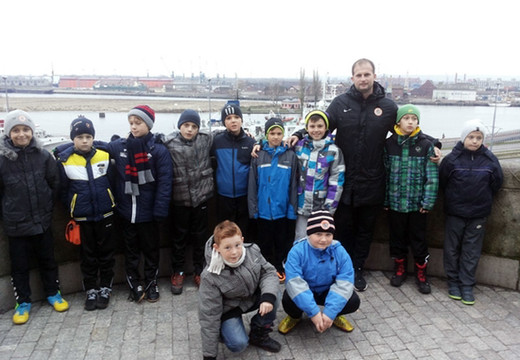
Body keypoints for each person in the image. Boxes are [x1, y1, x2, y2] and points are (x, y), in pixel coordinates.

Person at [286, 58, 441, 291]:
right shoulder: (340, 103)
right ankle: (342, 268)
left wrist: (434, 143)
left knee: (365, 231)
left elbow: (406, 130)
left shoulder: (388, 107)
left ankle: (357, 269)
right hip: (345, 181)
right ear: (352, 78)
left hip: (373, 181)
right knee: (344, 229)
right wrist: (298, 133)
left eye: (367, 74)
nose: (363, 79)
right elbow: (321, 124)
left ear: (374, 76)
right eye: (358, 75)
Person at [0, 110, 69, 325]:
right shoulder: (2, 160)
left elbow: (55, 182)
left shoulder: (43, 156)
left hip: (42, 220)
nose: (21, 134)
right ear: (8, 133)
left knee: (48, 260)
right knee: (19, 266)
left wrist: (48, 205)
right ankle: (23, 301)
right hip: (15, 224)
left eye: (26, 130)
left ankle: (53, 292)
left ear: (32, 132)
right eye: (16, 130)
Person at [107, 105, 173, 303]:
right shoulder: (120, 146)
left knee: (151, 250)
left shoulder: (158, 150)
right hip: (127, 212)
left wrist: (160, 209)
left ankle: (151, 282)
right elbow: (92, 145)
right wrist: (63, 150)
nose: (134, 127)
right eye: (131, 123)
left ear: (149, 124)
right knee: (131, 252)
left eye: (139, 123)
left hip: (149, 212)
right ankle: (134, 283)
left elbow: (165, 182)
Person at [55, 116, 116, 311]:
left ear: (93, 138)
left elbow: (113, 182)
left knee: (106, 254)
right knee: (88, 255)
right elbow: (62, 190)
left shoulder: (104, 156)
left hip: (105, 214)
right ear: (73, 138)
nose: (84, 140)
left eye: (88, 136)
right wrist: (73, 207)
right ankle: (90, 288)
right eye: (80, 136)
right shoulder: (65, 161)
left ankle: (106, 287)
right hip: (82, 217)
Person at [439, 119, 503, 305]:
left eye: (479, 138)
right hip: (455, 213)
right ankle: (453, 282)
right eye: (471, 137)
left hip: (478, 214)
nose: (475, 141)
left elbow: (496, 183)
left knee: (471, 251)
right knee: (452, 249)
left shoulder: (490, 159)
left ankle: (466, 284)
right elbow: (443, 182)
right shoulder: (451, 159)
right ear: (464, 138)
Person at [199, 220, 281, 359]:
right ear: (217, 248)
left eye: (237, 245)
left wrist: (267, 297)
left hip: (252, 298)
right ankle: (223, 331)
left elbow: (269, 272)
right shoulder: (209, 276)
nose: (234, 252)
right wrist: (209, 356)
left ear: (242, 240)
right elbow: (209, 315)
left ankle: (259, 333)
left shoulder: (253, 251)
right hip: (230, 309)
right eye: (227, 248)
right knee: (238, 344)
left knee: (274, 294)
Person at [383, 104, 439, 294]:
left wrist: (428, 201)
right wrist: (385, 200)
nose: (410, 122)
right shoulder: (389, 144)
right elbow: (385, 173)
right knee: (397, 238)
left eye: (414, 119)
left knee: (419, 240)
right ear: (399, 121)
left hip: (417, 206)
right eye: (406, 118)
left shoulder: (425, 145)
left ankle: (421, 273)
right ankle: (399, 269)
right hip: (396, 203)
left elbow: (431, 177)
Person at [278, 210, 360, 335]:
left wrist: (330, 312)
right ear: (309, 234)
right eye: (318, 234)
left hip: (328, 290)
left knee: (353, 301)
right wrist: (314, 313)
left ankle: (335, 316)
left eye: (328, 234)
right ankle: (295, 317)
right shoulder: (296, 251)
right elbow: (295, 283)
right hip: (306, 289)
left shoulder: (340, 250)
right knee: (288, 298)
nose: (323, 239)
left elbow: (345, 280)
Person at [164, 109, 213, 295]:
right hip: (180, 198)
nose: (190, 129)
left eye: (194, 126)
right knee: (179, 239)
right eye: (186, 125)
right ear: (179, 126)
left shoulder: (206, 139)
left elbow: (225, 135)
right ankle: (178, 271)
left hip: (201, 197)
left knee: (201, 237)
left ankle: (200, 271)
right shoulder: (169, 142)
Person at [248, 117, 298, 283]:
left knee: (281, 242)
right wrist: (253, 209)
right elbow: (252, 184)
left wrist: (291, 209)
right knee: (264, 242)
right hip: (263, 210)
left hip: (282, 210)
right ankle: (265, 269)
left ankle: (278, 266)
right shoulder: (258, 155)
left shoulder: (290, 155)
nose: (276, 137)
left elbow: (293, 185)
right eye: (272, 133)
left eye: (279, 133)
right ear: (266, 134)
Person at [293, 110, 344, 241]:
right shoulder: (298, 147)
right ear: (306, 128)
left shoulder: (333, 151)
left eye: (320, 126)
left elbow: (336, 182)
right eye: (312, 126)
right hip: (301, 205)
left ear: (326, 128)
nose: (316, 130)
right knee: (300, 239)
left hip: (321, 207)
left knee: (320, 241)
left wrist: (329, 208)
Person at [211, 103, 256, 239]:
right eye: (229, 118)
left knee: (244, 232)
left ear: (241, 120)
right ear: (224, 122)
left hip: (244, 197)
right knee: (225, 233)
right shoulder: (217, 141)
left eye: (236, 117)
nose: (233, 120)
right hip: (224, 197)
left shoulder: (250, 143)